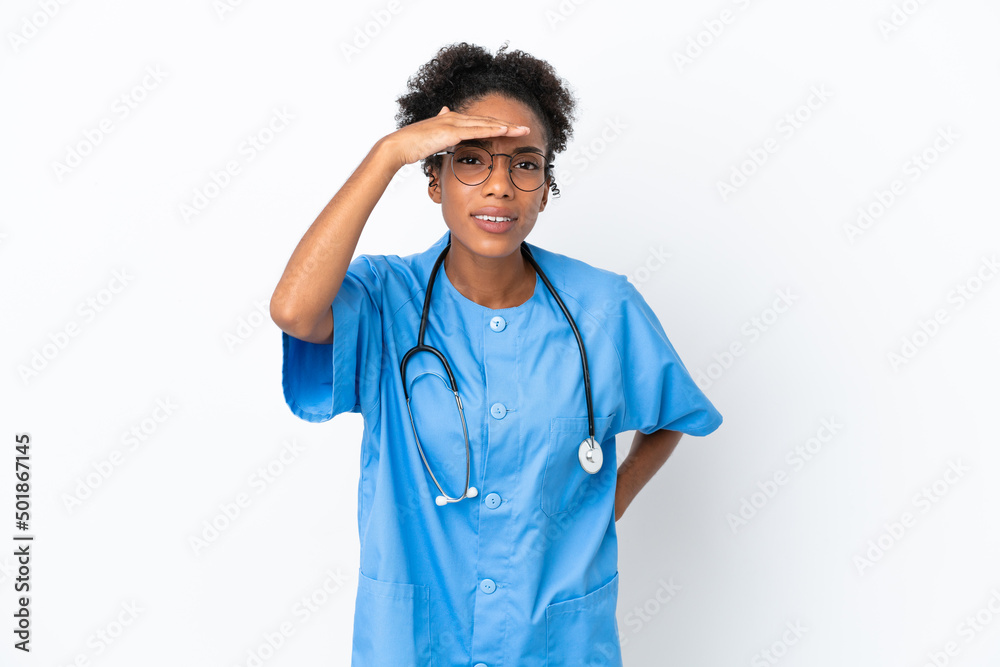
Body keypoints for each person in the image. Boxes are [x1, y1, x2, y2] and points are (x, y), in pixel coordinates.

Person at [270, 41, 723, 667]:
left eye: (525, 165)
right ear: (434, 179)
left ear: (545, 188)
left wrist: (604, 507)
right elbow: (294, 310)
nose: (500, 187)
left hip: (555, 644)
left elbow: (671, 416)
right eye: (472, 162)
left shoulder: (603, 308)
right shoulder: (384, 300)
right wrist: (387, 154)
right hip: (417, 642)